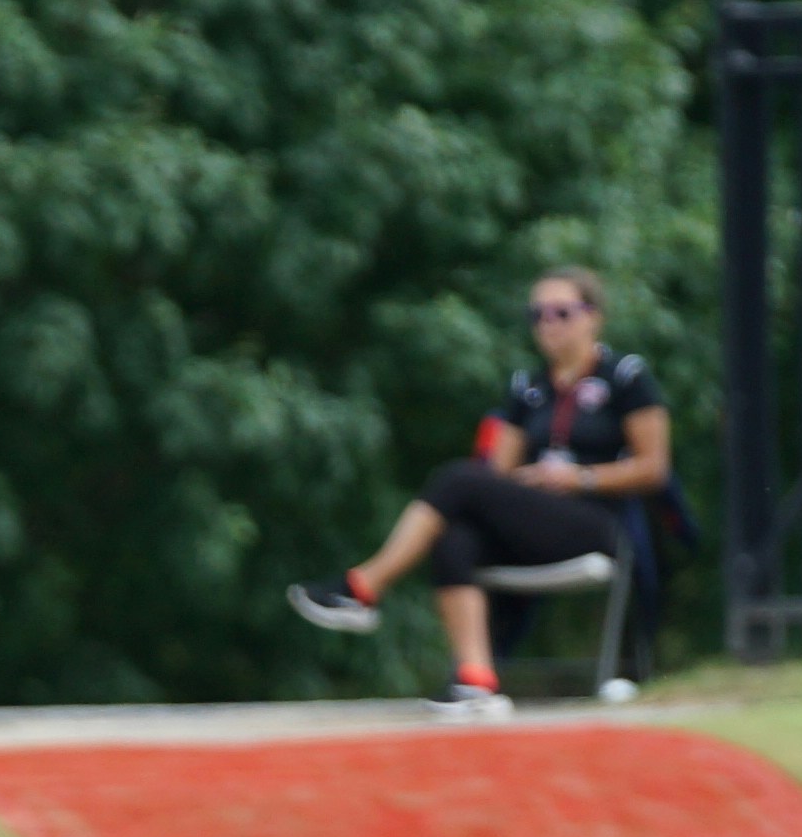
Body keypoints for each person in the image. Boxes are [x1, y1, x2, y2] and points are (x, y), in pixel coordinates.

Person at [287, 266, 673, 718]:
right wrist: (529, 481)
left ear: (593, 317)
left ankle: (363, 586)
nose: (548, 324)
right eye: (538, 314)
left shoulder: (625, 377)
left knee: (456, 479)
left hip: (594, 523)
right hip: (533, 519)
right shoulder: (527, 387)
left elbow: (653, 469)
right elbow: (497, 472)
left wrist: (579, 477)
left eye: (562, 312)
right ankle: (476, 679)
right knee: (456, 534)